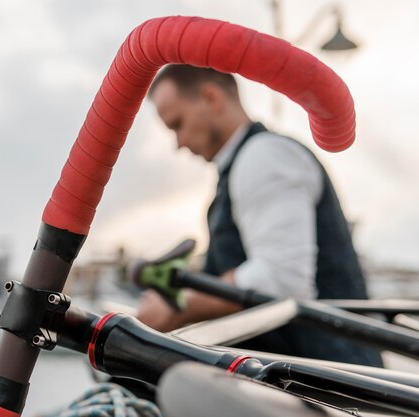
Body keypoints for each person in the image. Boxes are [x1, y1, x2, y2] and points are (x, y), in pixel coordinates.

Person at [136, 64, 382, 367]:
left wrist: (177, 306)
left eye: (177, 124)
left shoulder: (263, 158)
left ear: (211, 98)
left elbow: (282, 279)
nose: (178, 143)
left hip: (326, 387)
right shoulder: (249, 162)